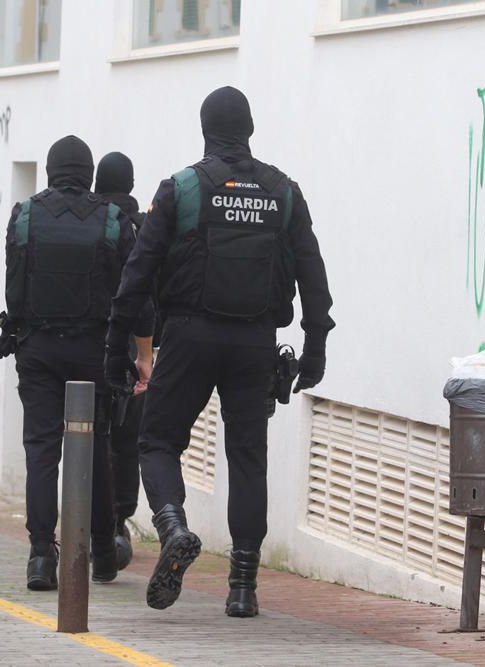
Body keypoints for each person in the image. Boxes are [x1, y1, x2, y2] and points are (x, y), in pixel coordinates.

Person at [105, 86, 335, 617]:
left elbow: (137, 272)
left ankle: (173, 527)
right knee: (248, 457)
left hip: (188, 335)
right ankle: (243, 588)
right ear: (250, 130)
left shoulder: (181, 188)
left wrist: (118, 343)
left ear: (206, 130)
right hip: (255, 341)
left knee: (158, 440)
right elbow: (311, 271)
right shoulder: (283, 192)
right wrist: (315, 344)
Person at [3, 135, 153, 590]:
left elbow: (14, 289)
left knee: (42, 450)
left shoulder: (25, 214)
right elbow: (134, 292)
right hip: (95, 350)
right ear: (87, 174)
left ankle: (39, 557)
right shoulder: (111, 219)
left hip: (39, 349)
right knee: (98, 445)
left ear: (50, 171)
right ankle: (104, 552)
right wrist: (143, 355)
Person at [94, 151, 152, 571]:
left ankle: (89, 521)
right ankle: (117, 521)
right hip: (138, 346)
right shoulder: (147, 226)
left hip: (95, 344)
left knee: (90, 435)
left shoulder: (94, 221)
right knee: (127, 439)